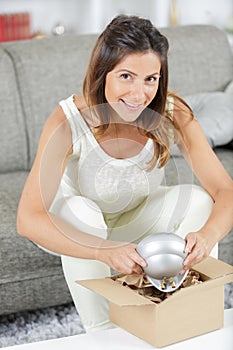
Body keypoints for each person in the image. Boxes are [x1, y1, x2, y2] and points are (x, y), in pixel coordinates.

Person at [17, 15, 233, 332]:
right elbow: (28, 219)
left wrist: (208, 235)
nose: (138, 94)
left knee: (198, 201)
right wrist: (102, 251)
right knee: (82, 210)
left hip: (135, 220)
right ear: (103, 73)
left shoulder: (171, 112)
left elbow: (225, 191)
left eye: (151, 79)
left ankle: (187, 318)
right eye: (126, 76)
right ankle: (105, 331)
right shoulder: (69, 120)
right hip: (79, 228)